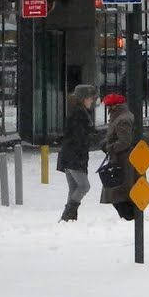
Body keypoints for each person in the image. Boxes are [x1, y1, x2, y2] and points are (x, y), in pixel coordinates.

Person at [98, 93, 139, 221]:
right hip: (121, 159)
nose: (107, 109)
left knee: (117, 192)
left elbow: (124, 141)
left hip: (123, 161)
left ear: (114, 106)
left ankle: (129, 217)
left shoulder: (122, 119)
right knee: (117, 191)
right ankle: (129, 217)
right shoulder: (119, 117)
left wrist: (109, 147)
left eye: (108, 106)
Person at [58, 84, 96, 222]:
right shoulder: (80, 114)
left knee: (74, 187)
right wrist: (93, 138)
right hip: (74, 157)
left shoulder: (76, 111)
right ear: (83, 98)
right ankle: (67, 215)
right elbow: (80, 137)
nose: (92, 100)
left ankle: (69, 219)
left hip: (68, 156)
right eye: (90, 98)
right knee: (84, 186)